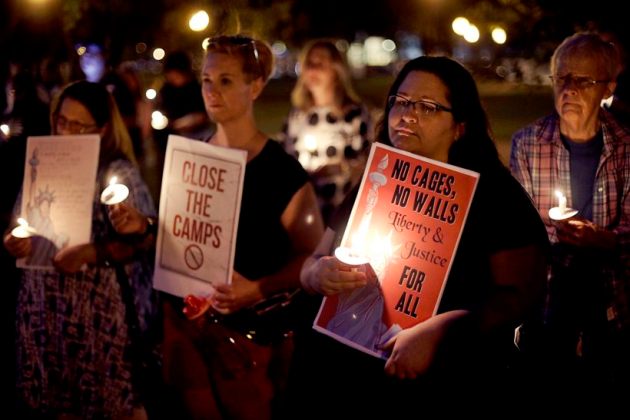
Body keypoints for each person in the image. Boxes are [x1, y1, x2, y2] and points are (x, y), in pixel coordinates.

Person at [288, 55, 549, 417]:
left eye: (427, 107)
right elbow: (311, 263)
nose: (408, 115)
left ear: (459, 126)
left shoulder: (495, 197)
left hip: (446, 385)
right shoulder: (373, 182)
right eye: (402, 102)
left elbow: (520, 295)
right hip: (348, 377)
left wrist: (443, 330)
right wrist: (317, 275)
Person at [160, 35, 324, 420]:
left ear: (256, 86)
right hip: (192, 339)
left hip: (252, 346)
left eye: (226, 80)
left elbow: (313, 255)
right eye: (206, 80)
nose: (212, 91)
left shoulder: (280, 172)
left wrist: (256, 289)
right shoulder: (191, 159)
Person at [3, 80, 157, 419]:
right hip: (45, 312)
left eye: (78, 125)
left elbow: (143, 241)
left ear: (101, 129)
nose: (65, 131)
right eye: (62, 121)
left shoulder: (118, 173)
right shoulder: (41, 162)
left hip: (98, 318)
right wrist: (15, 241)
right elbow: (20, 221)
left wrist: (92, 253)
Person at [510, 32, 630, 409]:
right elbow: (520, 227)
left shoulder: (626, 146)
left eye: (583, 80)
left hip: (611, 303)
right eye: (562, 78)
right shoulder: (528, 143)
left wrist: (603, 240)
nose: (570, 89)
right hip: (547, 304)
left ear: (608, 87)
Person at [281, 39, 371, 223]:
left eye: (320, 63)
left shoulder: (355, 116)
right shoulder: (297, 117)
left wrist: (341, 169)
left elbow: (368, 165)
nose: (313, 70)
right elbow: (283, 164)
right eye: (309, 64)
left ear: (337, 71)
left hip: (340, 213)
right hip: (302, 211)